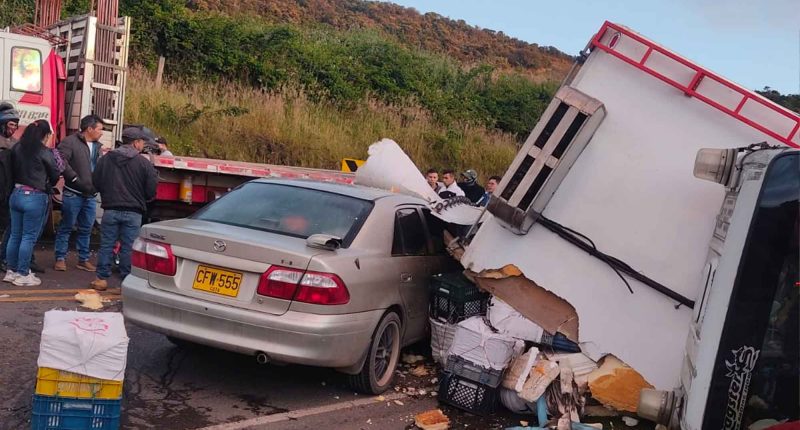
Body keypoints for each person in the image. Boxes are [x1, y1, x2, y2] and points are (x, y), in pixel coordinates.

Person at [90, 127, 157, 291]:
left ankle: (101, 279)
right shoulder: (143, 163)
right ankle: (125, 283)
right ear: (136, 143)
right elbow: (151, 190)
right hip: (133, 212)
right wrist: (143, 198)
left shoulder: (106, 159)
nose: (143, 145)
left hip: (110, 209)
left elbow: (96, 181)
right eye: (142, 142)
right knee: (128, 248)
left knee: (106, 245)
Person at [3, 120, 60, 286]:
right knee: (28, 237)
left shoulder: (17, 148)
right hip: (35, 195)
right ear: (45, 135)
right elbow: (55, 173)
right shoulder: (43, 151)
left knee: (15, 235)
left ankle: (11, 271)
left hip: (16, 193)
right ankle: (23, 273)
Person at [54, 115, 105, 272]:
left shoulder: (98, 147)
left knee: (86, 228)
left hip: (91, 195)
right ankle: (60, 258)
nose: (102, 133)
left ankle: (83, 259)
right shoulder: (70, 142)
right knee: (66, 226)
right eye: (100, 129)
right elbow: (60, 161)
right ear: (89, 129)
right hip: (73, 192)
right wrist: (74, 178)